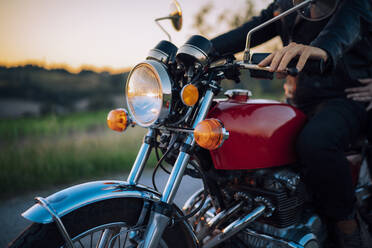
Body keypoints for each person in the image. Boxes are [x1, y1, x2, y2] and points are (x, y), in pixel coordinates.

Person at [210, 0, 372, 247]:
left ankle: (348, 229)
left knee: (317, 142)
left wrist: (322, 50)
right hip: (300, 99)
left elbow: (343, 28)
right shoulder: (286, 5)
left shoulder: (353, 3)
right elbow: (247, 32)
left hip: (346, 98)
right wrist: (196, 51)